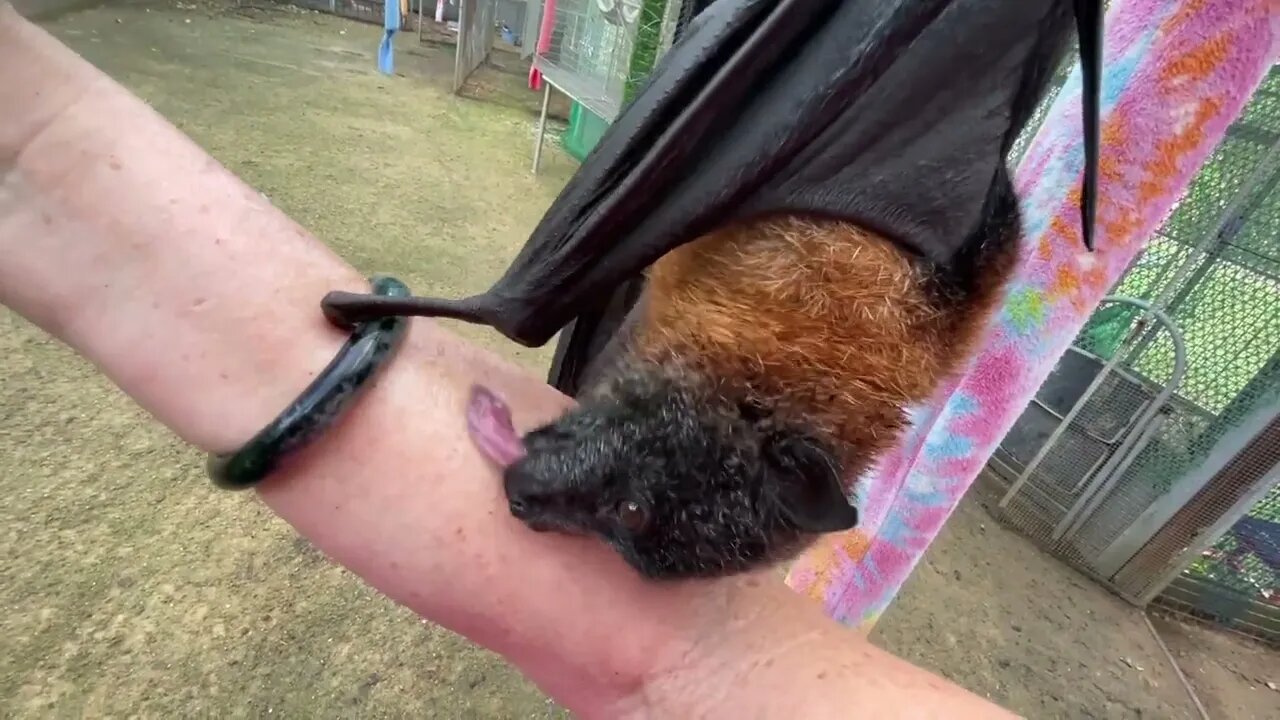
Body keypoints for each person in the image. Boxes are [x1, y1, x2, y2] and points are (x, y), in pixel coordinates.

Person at [0, 4, 1015, 717]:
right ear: (770, 451)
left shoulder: (743, 358)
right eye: (631, 516)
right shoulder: (832, 293)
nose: (608, 521)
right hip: (868, 131)